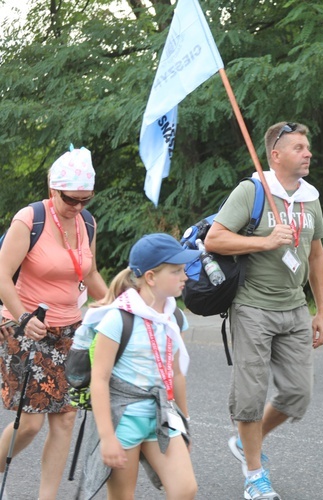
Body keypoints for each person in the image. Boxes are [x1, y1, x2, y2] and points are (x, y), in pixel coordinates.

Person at [204, 121, 323, 500]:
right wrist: (263, 241)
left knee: (297, 393)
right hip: (253, 307)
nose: (307, 153)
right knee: (250, 394)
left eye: (307, 147)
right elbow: (215, 238)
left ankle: (247, 441)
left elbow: (317, 255)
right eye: (299, 148)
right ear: (276, 155)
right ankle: (254, 475)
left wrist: (322, 311)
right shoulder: (253, 190)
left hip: (293, 307)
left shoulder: (309, 197)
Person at [0, 145, 108, 500]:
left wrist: (117, 305)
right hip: (25, 327)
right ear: (53, 190)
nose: (77, 207)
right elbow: (2, 275)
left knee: (63, 419)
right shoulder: (30, 219)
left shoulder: (87, 223)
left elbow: (88, 272)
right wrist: (23, 317)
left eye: (85, 200)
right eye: (71, 199)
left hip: (71, 331)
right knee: (29, 423)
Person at [79, 233, 199, 500]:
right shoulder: (117, 319)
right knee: (123, 496)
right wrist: (107, 436)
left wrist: (185, 421)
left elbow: (177, 373)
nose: (185, 276)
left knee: (185, 489)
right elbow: (99, 380)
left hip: (162, 415)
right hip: (124, 419)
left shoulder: (174, 318)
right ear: (151, 277)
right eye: (176, 271)